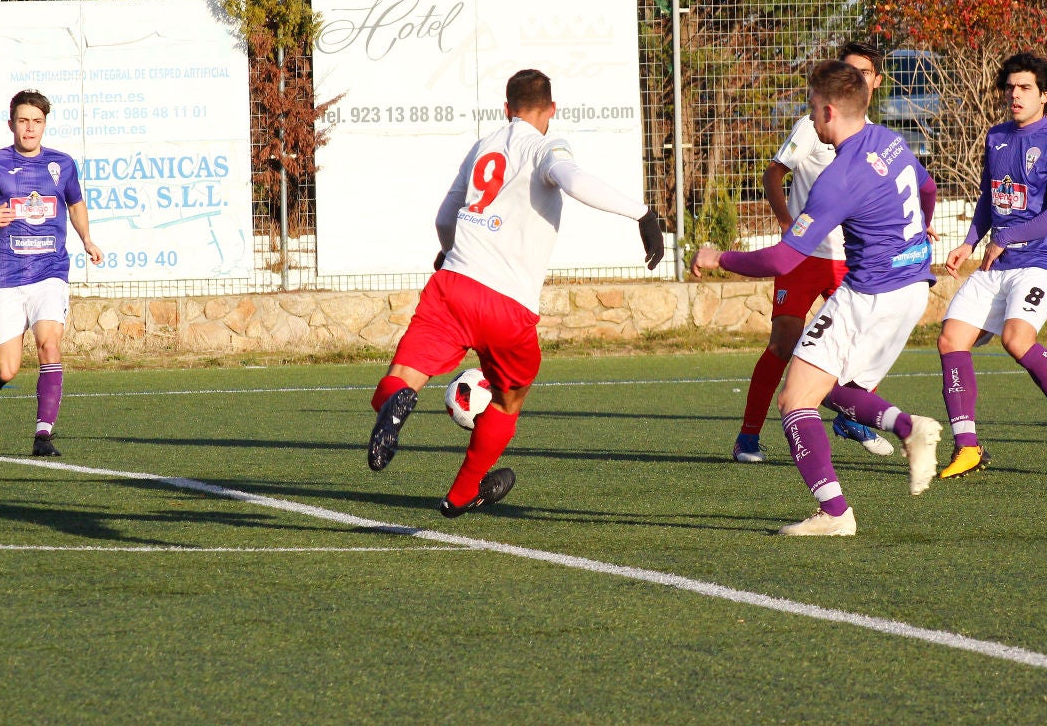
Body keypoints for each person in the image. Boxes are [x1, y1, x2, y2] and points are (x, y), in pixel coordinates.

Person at [367, 69, 664, 517]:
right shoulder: (548, 146)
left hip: (454, 283)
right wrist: (641, 213)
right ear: (551, 110)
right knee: (509, 398)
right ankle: (462, 492)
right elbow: (574, 179)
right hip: (508, 305)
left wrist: (449, 254)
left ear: (506, 108)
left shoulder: (484, 144)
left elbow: (446, 218)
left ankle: (395, 404)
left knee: (402, 376)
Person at [691, 60, 943, 536]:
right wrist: (922, 230)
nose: (808, 118)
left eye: (810, 109)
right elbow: (927, 189)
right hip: (912, 287)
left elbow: (784, 260)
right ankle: (910, 429)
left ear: (828, 111)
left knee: (795, 400)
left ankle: (834, 513)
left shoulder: (838, 177)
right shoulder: (890, 141)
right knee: (827, 386)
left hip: (871, 293)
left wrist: (717, 257)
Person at [935, 53, 1047, 481]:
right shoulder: (996, 138)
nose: (1015, 94)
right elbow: (988, 202)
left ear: (1045, 95)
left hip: (1041, 262)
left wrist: (1004, 238)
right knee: (950, 339)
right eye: (1010, 87)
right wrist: (969, 242)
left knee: (1016, 338)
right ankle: (967, 446)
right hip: (997, 261)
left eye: (1025, 87)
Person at [731, 42, 893, 464]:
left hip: (850, 259)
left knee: (863, 344)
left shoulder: (875, 136)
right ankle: (748, 437)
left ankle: (851, 418)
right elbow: (773, 174)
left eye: (864, 72)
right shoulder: (812, 126)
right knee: (783, 344)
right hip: (803, 258)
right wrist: (787, 223)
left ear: (875, 81)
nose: (855, 78)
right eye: (849, 70)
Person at [0, 89, 104, 457]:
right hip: (5, 277)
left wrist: (86, 238)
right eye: (23, 121)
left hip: (50, 271)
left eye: (36, 121)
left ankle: (43, 434)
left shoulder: (62, 164)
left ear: (44, 125)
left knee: (50, 343)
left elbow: (76, 202)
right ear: (11, 124)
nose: (29, 128)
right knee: (8, 369)